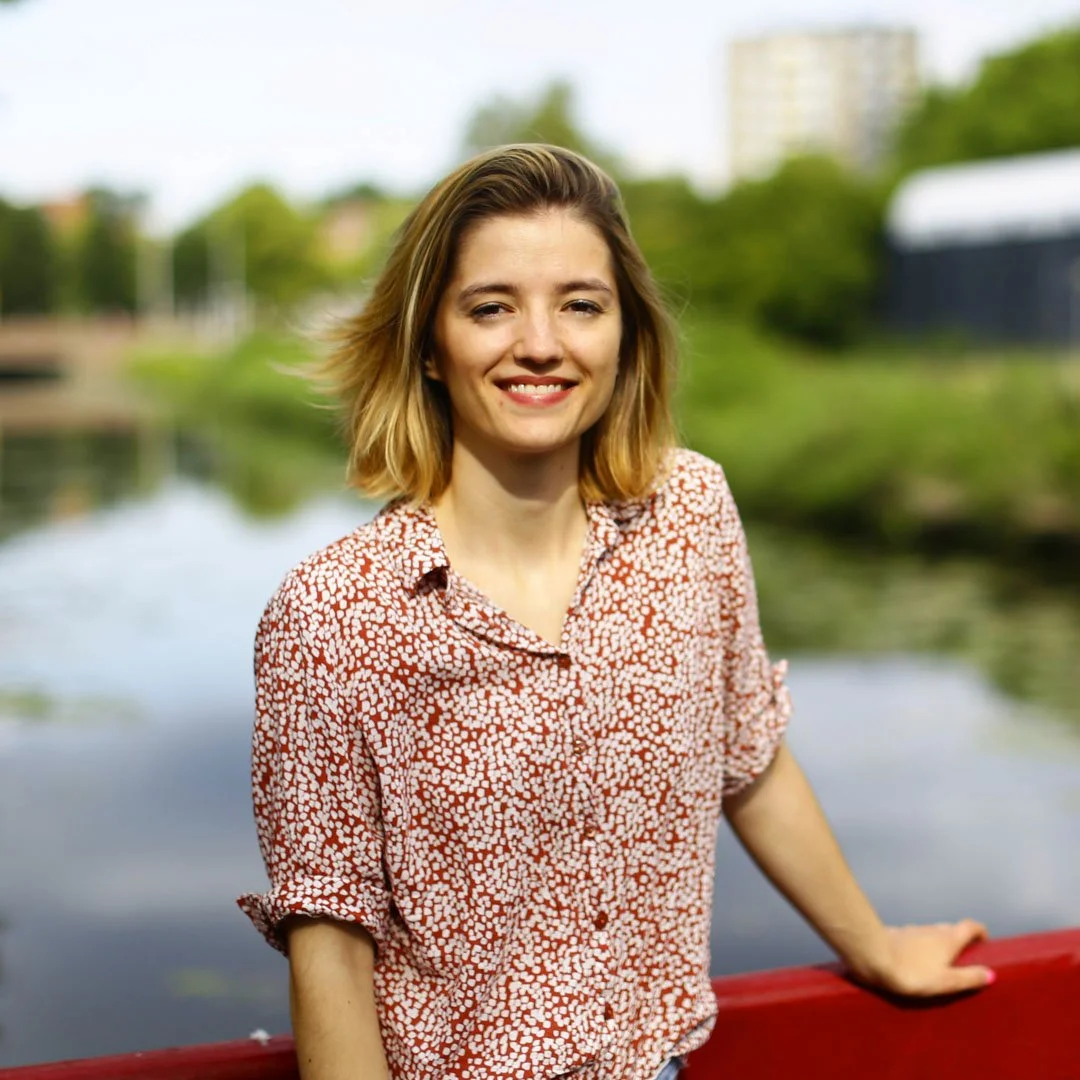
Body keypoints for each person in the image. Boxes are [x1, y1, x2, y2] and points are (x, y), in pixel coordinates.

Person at [238, 144, 992, 1080]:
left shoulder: (692, 517)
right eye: (491, 307)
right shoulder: (335, 615)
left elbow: (746, 755)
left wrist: (876, 946)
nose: (542, 344)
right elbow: (332, 945)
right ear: (429, 344)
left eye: (580, 304)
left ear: (625, 332)